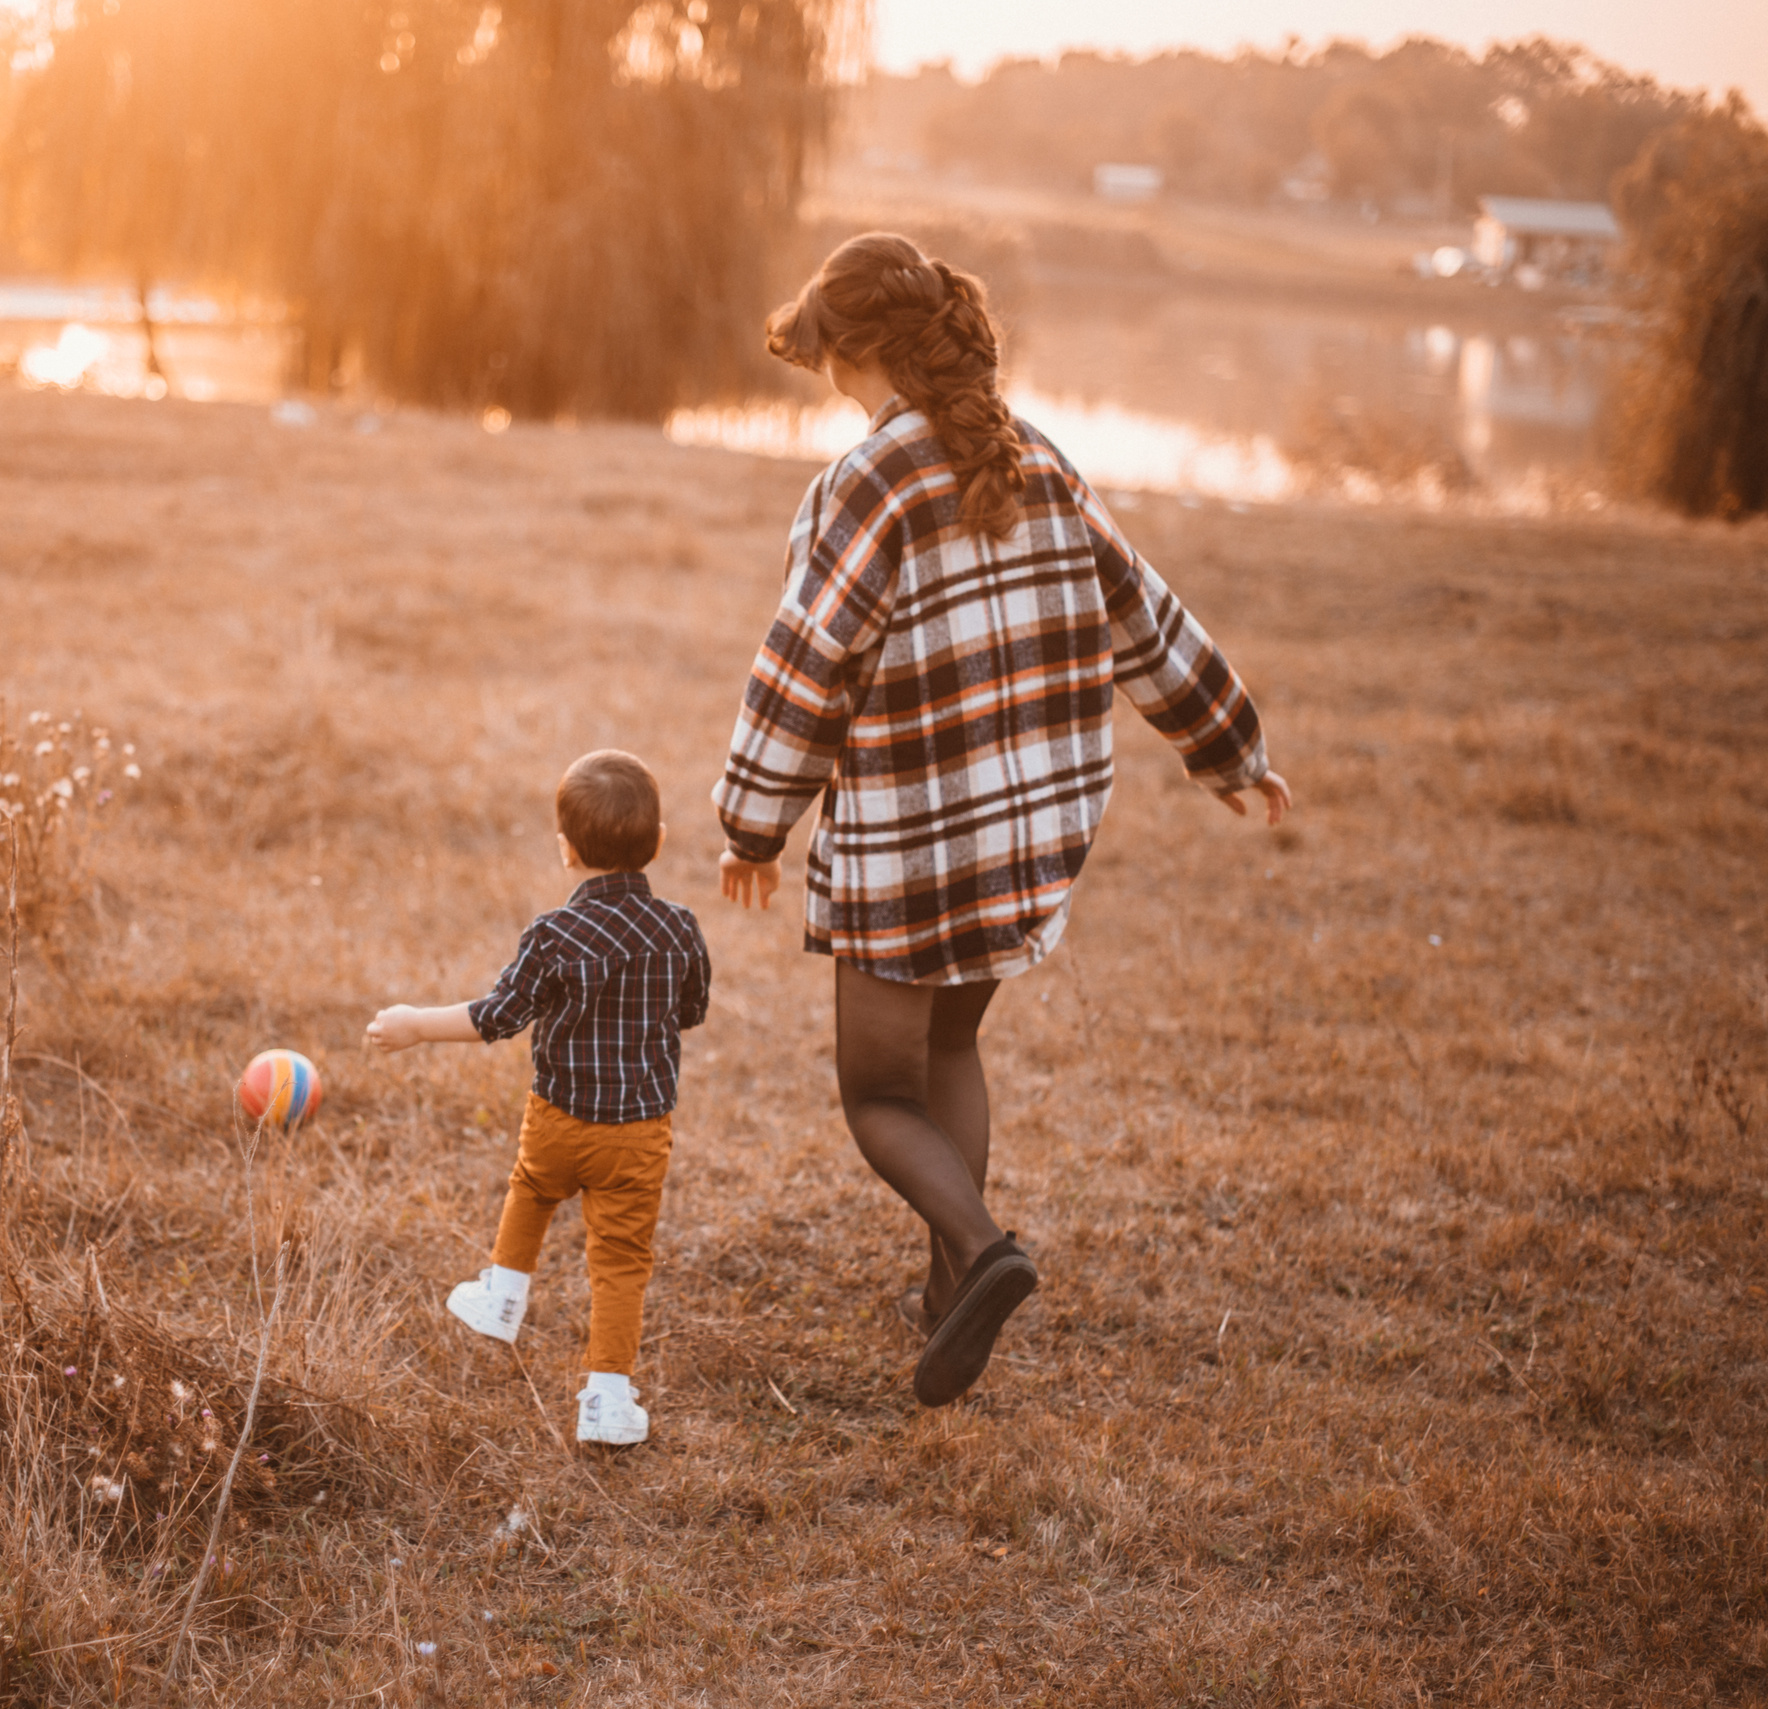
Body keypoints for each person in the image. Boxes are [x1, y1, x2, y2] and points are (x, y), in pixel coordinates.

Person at [713, 232, 1292, 1409]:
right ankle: (945, 1302)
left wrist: (751, 824)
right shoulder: (1033, 453)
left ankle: (980, 1253)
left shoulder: (867, 481)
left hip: (917, 836)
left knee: (876, 1090)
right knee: (949, 1047)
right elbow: (1143, 608)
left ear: (854, 354)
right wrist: (1226, 744)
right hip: (1021, 831)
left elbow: (808, 663)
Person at [366, 750, 711, 1446]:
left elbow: (496, 1015)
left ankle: (502, 1292)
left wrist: (415, 1025)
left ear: (566, 851)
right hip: (637, 1131)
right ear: (661, 841)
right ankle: (608, 1397)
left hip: (558, 1117)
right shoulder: (680, 929)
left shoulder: (554, 934)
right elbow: (691, 1010)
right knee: (619, 1258)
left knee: (532, 1187)